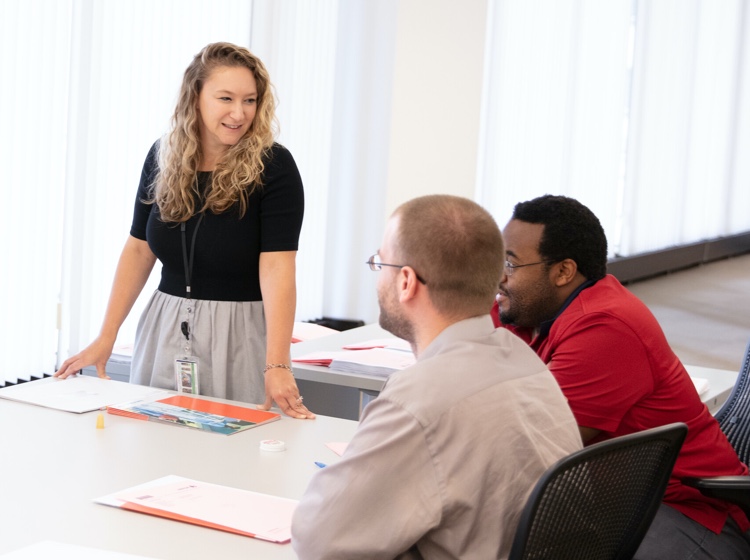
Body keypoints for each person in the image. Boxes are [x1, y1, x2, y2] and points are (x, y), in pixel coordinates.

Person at [291, 195, 582, 559]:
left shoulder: (418, 402)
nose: (378, 275)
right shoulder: (523, 362)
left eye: (381, 263)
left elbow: (319, 542)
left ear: (406, 282)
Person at [55, 42, 314, 419]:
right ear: (196, 97)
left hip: (238, 332)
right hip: (165, 325)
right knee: (152, 450)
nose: (239, 113)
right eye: (225, 98)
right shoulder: (164, 155)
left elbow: (278, 267)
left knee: (232, 458)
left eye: (250, 100)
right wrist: (106, 336)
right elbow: (139, 249)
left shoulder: (274, 166)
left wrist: (277, 364)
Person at [492, 194, 750, 559]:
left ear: (563, 272)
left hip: (690, 516)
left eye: (511, 264)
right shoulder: (533, 309)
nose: (499, 277)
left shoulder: (604, 327)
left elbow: (533, 445)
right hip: (619, 501)